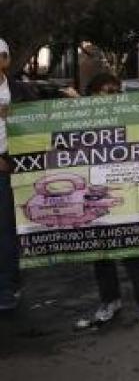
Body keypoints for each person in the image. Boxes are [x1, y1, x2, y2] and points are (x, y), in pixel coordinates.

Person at [75, 73, 139, 328]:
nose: (110, 96)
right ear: (92, 95)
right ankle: (110, 300)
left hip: (123, 193)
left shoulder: (130, 116)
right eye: (104, 91)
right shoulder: (78, 118)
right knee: (101, 254)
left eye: (115, 91)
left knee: (132, 249)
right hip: (93, 194)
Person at [0, 38, 38, 313]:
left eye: (1, 55)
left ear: (7, 60)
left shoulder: (22, 91)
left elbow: (40, 125)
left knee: (7, 233)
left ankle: (7, 288)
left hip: (13, 171)